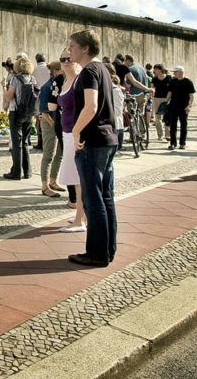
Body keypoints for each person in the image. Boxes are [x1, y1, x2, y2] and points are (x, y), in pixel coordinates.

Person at [68, 30, 119, 268]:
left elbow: (91, 106)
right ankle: (108, 249)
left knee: (93, 199)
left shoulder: (89, 71)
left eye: (72, 47)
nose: (69, 51)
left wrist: (77, 131)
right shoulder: (104, 70)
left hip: (92, 141)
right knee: (106, 197)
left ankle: (96, 253)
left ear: (85, 48)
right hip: (108, 139)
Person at [56, 49, 85, 229]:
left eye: (69, 58)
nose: (66, 62)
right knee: (74, 178)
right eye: (62, 59)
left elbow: (87, 108)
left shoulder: (79, 80)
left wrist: (78, 132)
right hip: (66, 133)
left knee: (79, 178)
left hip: (75, 134)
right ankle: (81, 216)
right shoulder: (66, 80)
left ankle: (80, 219)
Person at [3, 54, 35, 181]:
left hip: (16, 111)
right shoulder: (32, 78)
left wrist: (4, 87)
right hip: (28, 112)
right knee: (25, 142)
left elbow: (9, 96)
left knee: (16, 143)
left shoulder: (15, 78)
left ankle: (16, 172)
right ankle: (27, 171)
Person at [39, 61, 65, 195]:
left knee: (60, 154)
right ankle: (44, 186)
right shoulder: (47, 86)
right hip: (49, 122)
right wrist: (55, 126)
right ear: (56, 71)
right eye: (62, 69)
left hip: (59, 123)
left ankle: (53, 181)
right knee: (48, 155)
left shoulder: (62, 84)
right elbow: (44, 112)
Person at [165, 66, 196, 150]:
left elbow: (191, 95)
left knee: (183, 125)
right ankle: (172, 143)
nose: (174, 73)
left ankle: (182, 143)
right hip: (173, 106)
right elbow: (170, 93)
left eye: (175, 72)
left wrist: (189, 106)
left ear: (181, 72)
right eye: (174, 72)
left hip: (184, 107)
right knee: (173, 126)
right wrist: (165, 102)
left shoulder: (188, 82)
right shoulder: (172, 81)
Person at [32, 53, 51, 150]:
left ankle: (40, 141)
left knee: (39, 119)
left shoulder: (34, 70)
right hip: (49, 94)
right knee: (47, 117)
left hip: (38, 95)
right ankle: (46, 141)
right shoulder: (49, 68)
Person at [150, 65, 172, 140]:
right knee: (157, 117)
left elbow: (171, 89)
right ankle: (160, 135)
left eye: (155, 69)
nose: (154, 71)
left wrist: (169, 99)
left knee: (167, 117)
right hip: (157, 99)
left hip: (167, 99)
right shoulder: (154, 79)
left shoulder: (169, 78)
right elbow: (152, 88)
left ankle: (168, 135)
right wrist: (150, 96)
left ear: (160, 70)